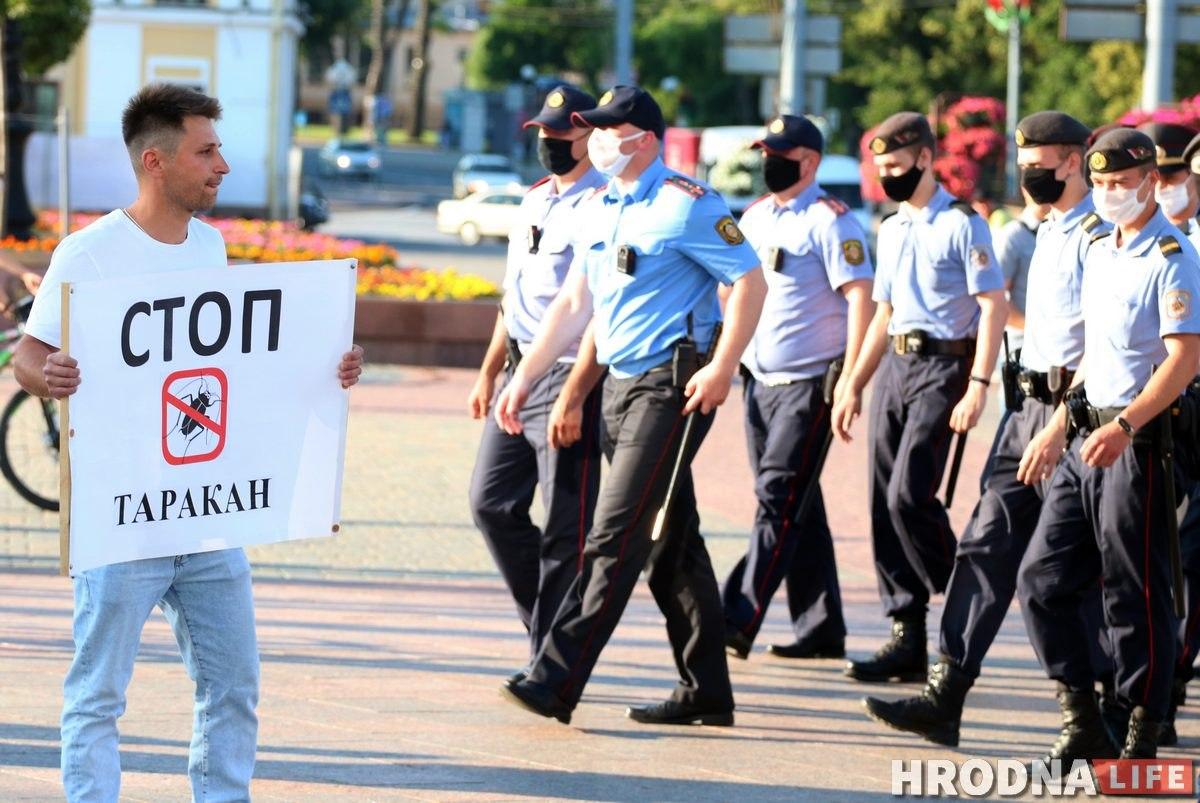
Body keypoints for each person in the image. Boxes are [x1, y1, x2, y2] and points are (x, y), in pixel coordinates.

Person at [12, 84, 365, 801]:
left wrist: (327, 364)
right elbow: (26, 355)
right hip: (121, 516)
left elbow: (226, 365)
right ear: (155, 161)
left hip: (205, 513)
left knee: (233, 684)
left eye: (218, 149)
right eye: (205, 151)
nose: (222, 165)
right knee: (99, 693)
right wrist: (48, 374)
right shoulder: (89, 253)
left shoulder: (210, 244)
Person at [493, 85, 766, 726]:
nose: (601, 140)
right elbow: (575, 307)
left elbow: (749, 280)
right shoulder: (601, 208)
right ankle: (707, 689)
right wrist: (529, 377)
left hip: (672, 387)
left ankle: (554, 680)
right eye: (597, 130)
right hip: (619, 386)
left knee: (614, 538)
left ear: (642, 136)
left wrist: (725, 365)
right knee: (672, 541)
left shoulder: (688, 206)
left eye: (611, 130)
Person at [860, 111, 1106, 746]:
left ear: (1075, 162)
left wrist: (1060, 422)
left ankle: (1093, 717)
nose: (1028, 178)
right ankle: (947, 693)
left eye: (1040, 166)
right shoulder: (1045, 231)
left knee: (1061, 576)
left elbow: (1103, 347)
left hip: (1071, 421)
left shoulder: (1098, 238)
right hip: (1023, 412)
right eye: (1022, 167)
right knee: (982, 547)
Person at [1016, 127, 1200, 760]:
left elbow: (1183, 360)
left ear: (1151, 180)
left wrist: (1127, 428)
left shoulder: (1171, 257)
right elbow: (1097, 353)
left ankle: (1142, 725)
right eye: (1099, 184)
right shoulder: (1101, 249)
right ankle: (1080, 713)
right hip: (1086, 432)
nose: (1109, 194)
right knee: (1042, 578)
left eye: (1121, 183)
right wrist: (1058, 427)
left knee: (1133, 590)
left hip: (1139, 439)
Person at [831, 111, 1008, 684]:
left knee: (911, 494)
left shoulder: (962, 224)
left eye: (898, 166)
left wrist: (979, 385)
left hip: (944, 365)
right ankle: (906, 632)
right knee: (883, 500)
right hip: (896, 369)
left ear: (926, 159)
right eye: (881, 168)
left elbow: (992, 306)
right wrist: (853, 383)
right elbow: (882, 312)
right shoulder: (892, 227)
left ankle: (960, 598)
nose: (889, 176)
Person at [721, 114, 874, 662]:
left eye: (779, 152)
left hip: (809, 384)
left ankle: (734, 618)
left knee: (776, 498)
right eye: (765, 150)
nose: (769, 161)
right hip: (759, 380)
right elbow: (734, 286)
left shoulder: (832, 221)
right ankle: (821, 627)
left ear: (809, 161)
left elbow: (861, 298)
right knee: (797, 506)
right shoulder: (756, 215)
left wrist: (852, 379)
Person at [467, 85, 606, 679]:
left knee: (565, 526)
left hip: (570, 372)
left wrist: (576, 390)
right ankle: (547, 630)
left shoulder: (603, 207)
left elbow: (593, 308)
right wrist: (489, 370)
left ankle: (554, 662)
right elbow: (512, 296)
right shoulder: (532, 202)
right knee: (490, 502)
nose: (550, 143)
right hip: (517, 373)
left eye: (562, 135)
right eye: (544, 134)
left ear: (589, 138)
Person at [993, 189, 1049, 353]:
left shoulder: (1060, 232)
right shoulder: (1013, 235)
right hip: (1020, 345)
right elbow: (997, 297)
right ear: (1025, 190)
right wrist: (1033, 329)